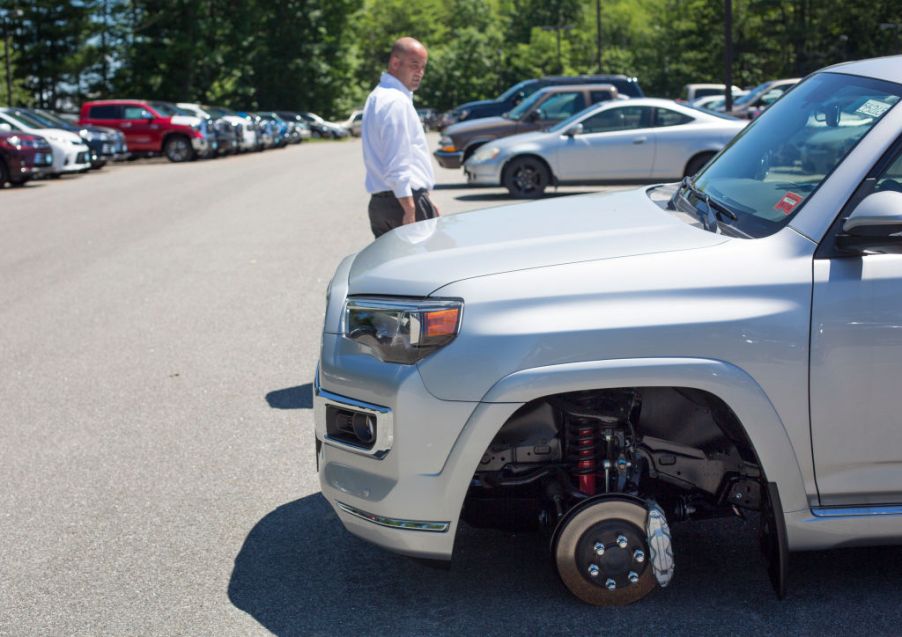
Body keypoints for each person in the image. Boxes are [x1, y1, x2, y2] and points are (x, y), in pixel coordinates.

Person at [362, 36, 439, 238]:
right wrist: (411, 207)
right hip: (402, 204)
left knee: (393, 268)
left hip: (381, 204)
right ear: (395, 63)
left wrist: (426, 201)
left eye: (423, 67)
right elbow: (398, 159)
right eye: (415, 65)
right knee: (421, 268)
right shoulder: (396, 102)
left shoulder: (377, 96)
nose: (420, 73)